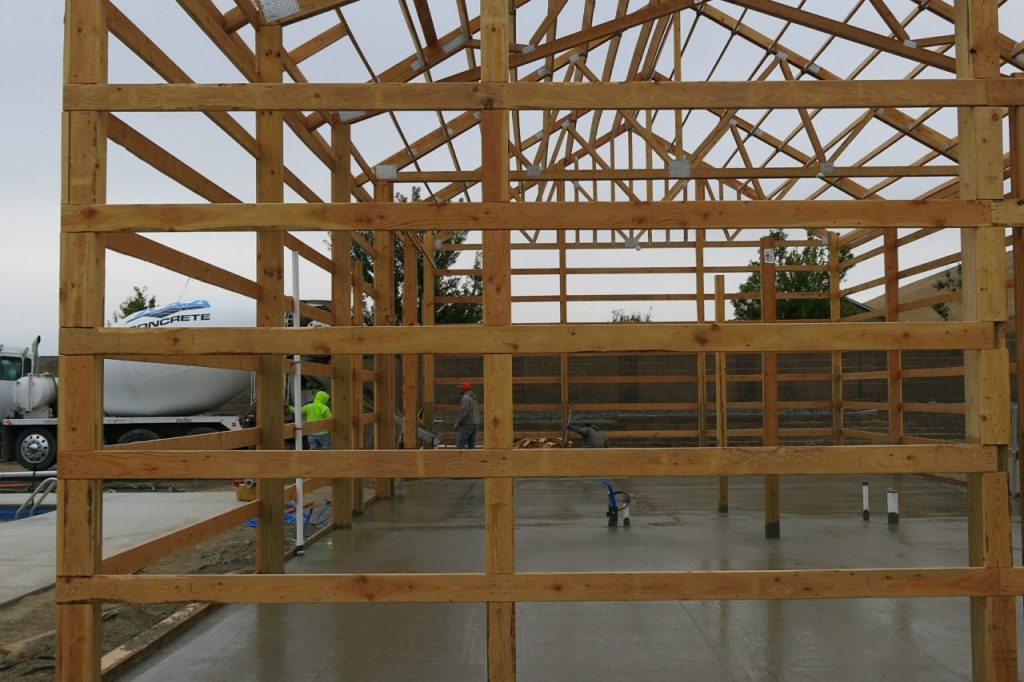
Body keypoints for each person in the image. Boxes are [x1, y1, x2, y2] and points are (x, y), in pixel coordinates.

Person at [455, 381, 480, 448]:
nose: (460, 390)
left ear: (464, 389)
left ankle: (459, 458)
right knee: (471, 447)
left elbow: (464, 412)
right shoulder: (473, 397)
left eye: (461, 388)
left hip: (467, 425)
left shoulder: (465, 397)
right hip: (475, 425)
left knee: (460, 446)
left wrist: (458, 423)